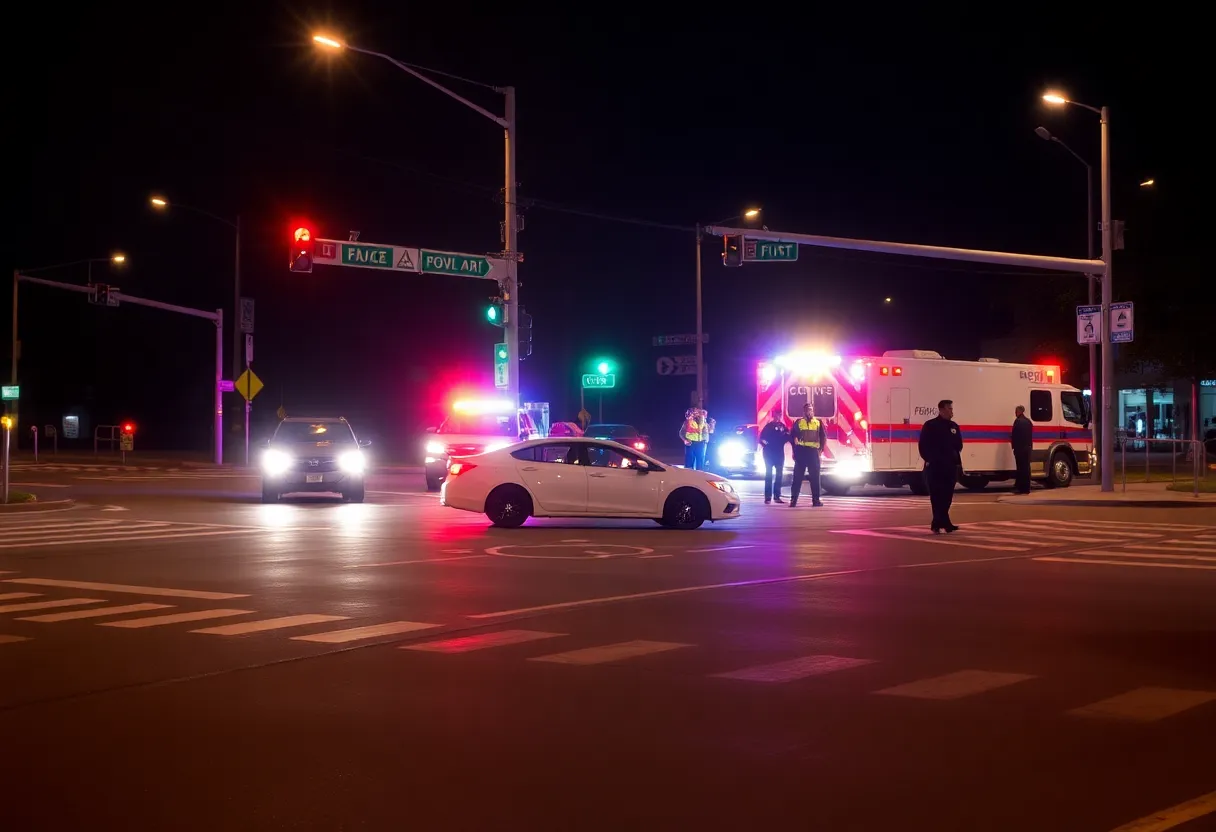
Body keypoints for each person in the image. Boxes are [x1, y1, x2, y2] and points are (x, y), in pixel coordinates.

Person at [918, 399, 963, 533]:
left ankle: (938, 522)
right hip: (936, 466)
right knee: (937, 495)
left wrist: (955, 458)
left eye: (952, 409)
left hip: (950, 466)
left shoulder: (954, 426)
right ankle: (942, 522)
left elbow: (959, 445)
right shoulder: (930, 425)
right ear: (942, 410)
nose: (951, 411)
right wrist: (929, 459)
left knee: (947, 495)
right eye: (949, 409)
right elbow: (923, 445)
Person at [789, 402, 826, 507]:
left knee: (815, 478)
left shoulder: (818, 422)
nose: (809, 412)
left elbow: (823, 437)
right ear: (804, 411)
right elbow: (792, 436)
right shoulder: (799, 422)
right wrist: (794, 451)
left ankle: (816, 501)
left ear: (813, 411)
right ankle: (793, 500)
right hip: (801, 451)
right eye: (807, 410)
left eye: (811, 410)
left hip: (813, 452)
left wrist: (820, 450)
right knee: (797, 477)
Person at [759, 408, 790, 504]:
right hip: (769, 453)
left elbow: (788, 437)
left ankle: (777, 496)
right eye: (777, 414)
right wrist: (767, 445)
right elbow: (761, 438)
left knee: (779, 475)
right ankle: (768, 497)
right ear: (774, 415)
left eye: (780, 414)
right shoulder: (768, 426)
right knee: (768, 474)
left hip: (779, 453)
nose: (779, 416)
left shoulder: (783, 426)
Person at [1011, 404, 1033, 494]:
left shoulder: (1017, 421)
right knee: (1027, 468)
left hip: (1019, 449)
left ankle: (1020, 488)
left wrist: (1013, 447)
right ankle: (1027, 488)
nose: (1015, 413)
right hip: (1027, 448)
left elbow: (1014, 436)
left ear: (1019, 411)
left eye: (1016, 411)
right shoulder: (1028, 422)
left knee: (1020, 468)